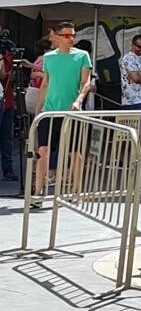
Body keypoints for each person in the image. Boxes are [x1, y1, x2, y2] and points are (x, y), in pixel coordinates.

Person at [32, 22, 93, 208]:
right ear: (57, 37)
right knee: (43, 151)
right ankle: (38, 193)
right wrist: (38, 110)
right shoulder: (48, 57)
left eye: (72, 35)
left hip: (72, 112)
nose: (71, 38)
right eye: (66, 35)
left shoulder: (82, 55)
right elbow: (45, 84)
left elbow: (86, 82)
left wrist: (78, 101)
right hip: (49, 112)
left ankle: (76, 191)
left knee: (75, 152)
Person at [119, 34, 141, 116]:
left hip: (140, 98)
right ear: (133, 45)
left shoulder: (140, 58)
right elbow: (136, 79)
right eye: (139, 46)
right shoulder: (128, 58)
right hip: (131, 100)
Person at [0, 46, 15, 180]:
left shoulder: (8, 55)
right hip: (4, 99)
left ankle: (8, 169)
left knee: (6, 138)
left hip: (7, 99)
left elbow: (8, 76)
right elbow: (3, 75)